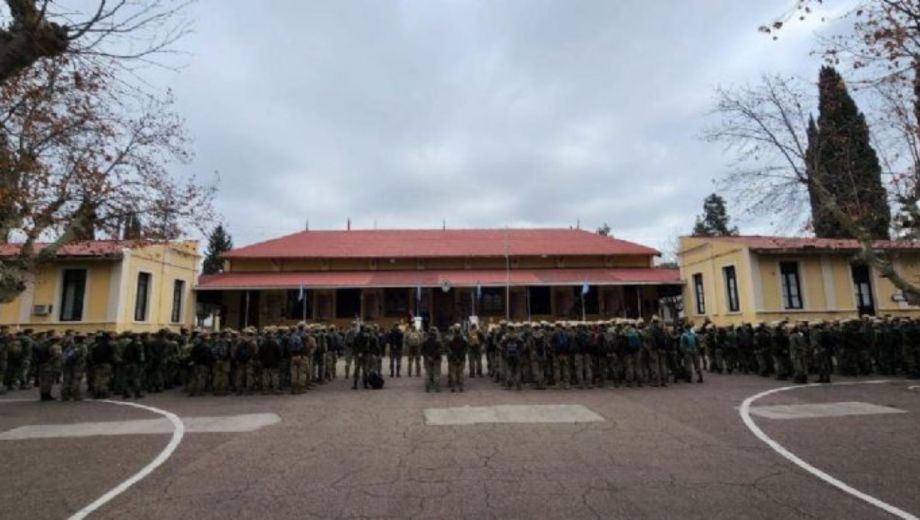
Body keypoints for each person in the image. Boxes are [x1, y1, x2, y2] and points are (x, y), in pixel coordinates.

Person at [61, 333, 88, 401]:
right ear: (82, 339)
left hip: (67, 365)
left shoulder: (70, 346)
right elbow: (84, 356)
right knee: (76, 380)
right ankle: (76, 395)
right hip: (78, 366)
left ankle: (65, 395)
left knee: (67, 380)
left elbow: (64, 355)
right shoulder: (83, 346)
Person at [446, 324, 468, 392]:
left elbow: (448, 349)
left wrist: (454, 357)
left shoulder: (450, 338)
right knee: (461, 373)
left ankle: (453, 387)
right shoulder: (464, 338)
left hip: (453, 358)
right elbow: (465, 349)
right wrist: (460, 357)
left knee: (453, 373)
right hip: (461, 358)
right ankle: (461, 387)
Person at [421, 326, 443, 392]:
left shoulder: (425, 341)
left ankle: (427, 388)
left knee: (428, 373)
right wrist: (433, 357)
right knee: (436, 373)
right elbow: (440, 351)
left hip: (427, 359)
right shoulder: (438, 341)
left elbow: (422, 351)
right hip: (436, 359)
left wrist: (428, 357)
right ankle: (437, 388)